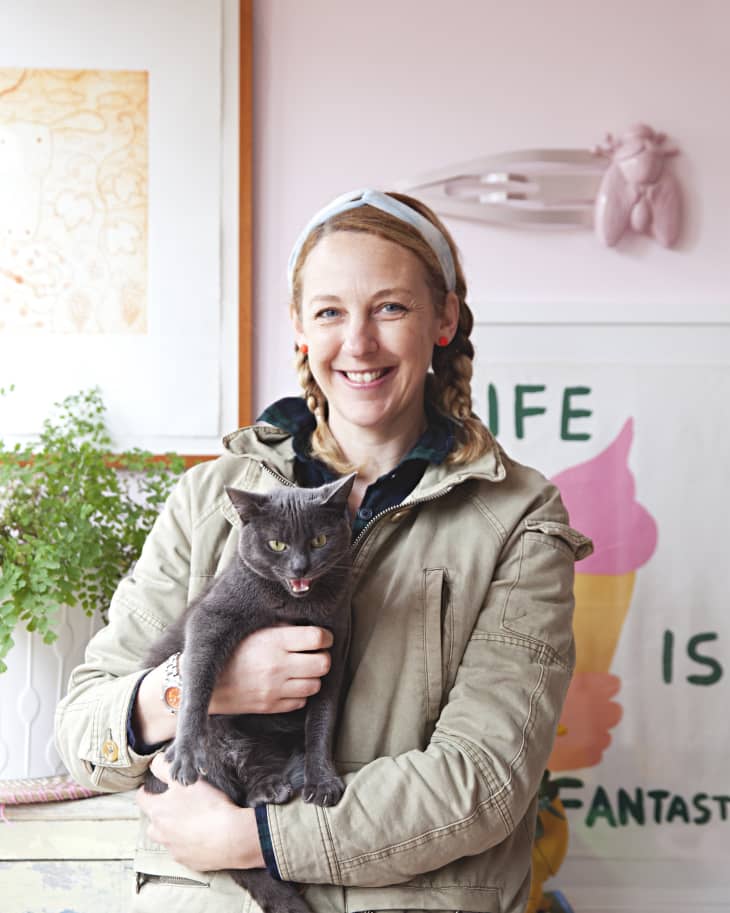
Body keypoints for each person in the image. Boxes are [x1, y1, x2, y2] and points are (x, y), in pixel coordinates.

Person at [55, 188, 593, 913]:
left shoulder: (516, 519)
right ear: (301, 329)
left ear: (444, 319)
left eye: (391, 308)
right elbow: (83, 727)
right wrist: (197, 684)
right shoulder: (211, 499)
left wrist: (260, 837)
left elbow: (483, 781)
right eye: (331, 311)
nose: (359, 343)